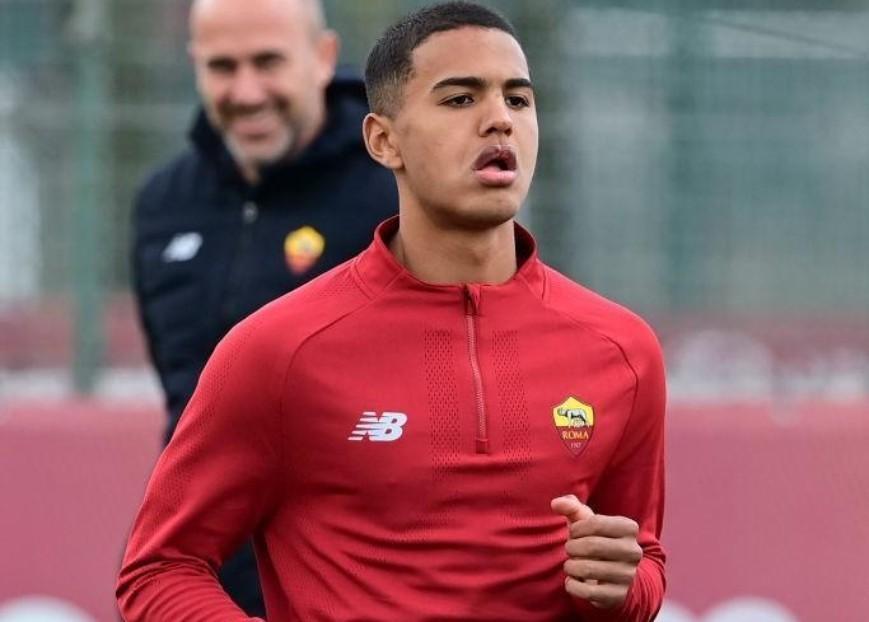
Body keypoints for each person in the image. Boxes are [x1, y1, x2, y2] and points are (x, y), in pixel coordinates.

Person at [118, 2, 666, 620]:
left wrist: (626, 588)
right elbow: (159, 570)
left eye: (518, 100)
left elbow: (641, 563)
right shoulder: (276, 347)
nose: (498, 121)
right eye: (460, 99)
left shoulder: (622, 349)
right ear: (384, 140)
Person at [128, 0, 397, 615]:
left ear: (323, 58)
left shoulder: (396, 190)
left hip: (356, 586)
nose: (246, 92)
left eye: (268, 62)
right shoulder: (163, 204)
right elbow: (182, 404)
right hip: (202, 580)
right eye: (222, 67)